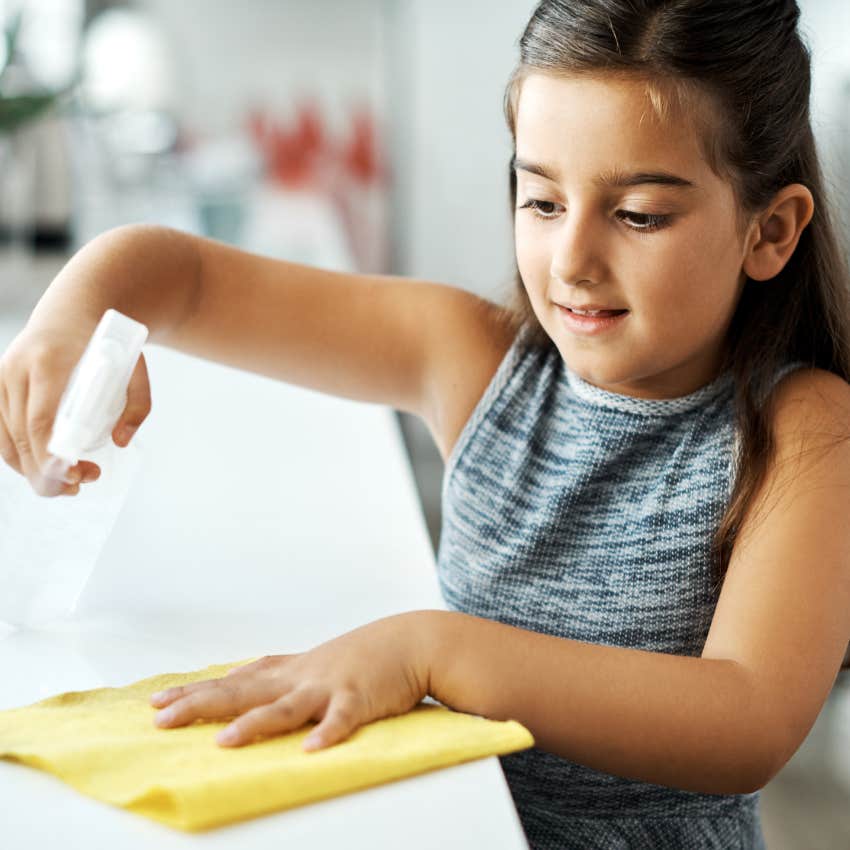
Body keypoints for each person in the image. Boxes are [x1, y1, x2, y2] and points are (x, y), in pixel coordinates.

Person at [1, 0, 849, 847]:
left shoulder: (806, 430)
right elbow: (181, 280)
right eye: (542, 200)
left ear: (769, 231)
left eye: (638, 216)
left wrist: (432, 652)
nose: (573, 261)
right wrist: (73, 315)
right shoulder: (473, 361)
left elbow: (745, 723)